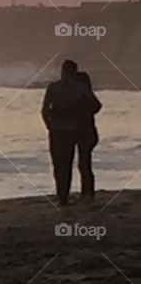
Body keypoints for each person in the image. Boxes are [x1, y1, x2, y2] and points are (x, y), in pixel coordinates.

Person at [41, 60, 93, 206]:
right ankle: (64, 196)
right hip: (71, 129)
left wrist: (49, 124)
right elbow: (95, 105)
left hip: (57, 129)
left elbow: (44, 110)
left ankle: (62, 197)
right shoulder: (80, 88)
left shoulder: (53, 87)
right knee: (67, 164)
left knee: (59, 164)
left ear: (63, 71)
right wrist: (81, 115)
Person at [74, 70, 102, 201]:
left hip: (86, 133)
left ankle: (88, 192)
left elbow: (97, 106)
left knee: (84, 164)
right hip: (87, 133)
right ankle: (86, 191)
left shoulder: (85, 96)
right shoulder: (87, 96)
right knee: (84, 164)